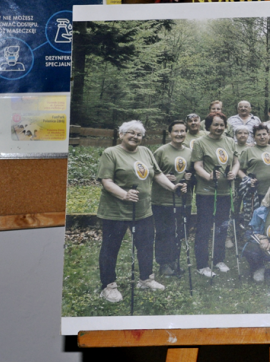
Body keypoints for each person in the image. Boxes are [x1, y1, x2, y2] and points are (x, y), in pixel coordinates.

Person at [97, 120, 184, 302]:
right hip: (116, 211)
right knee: (110, 249)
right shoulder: (110, 153)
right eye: (131, 133)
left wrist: (173, 187)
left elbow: (157, 174)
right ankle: (108, 286)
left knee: (145, 246)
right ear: (121, 134)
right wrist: (124, 194)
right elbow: (106, 181)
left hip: (144, 210)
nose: (135, 137)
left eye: (139, 134)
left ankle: (146, 279)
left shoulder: (145, 152)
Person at [191, 112, 239, 277]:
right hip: (206, 191)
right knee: (204, 228)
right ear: (208, 126)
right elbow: (197, 165)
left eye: (222, 125)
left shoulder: (230, 141)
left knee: (222, 227)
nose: (219, 128)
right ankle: (202, 264)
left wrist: (233, 172)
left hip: (225, 191)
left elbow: (236, 161)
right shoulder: (200, 142)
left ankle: (219, 259)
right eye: (215, 125)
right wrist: (208, 176)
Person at [152, 120, 193, 276]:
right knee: (164, 232)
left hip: (183, 199)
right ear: (170, 133)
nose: (179, 134)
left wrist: (190, 179)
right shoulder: (161, 151)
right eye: (176, 131)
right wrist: (164, 176)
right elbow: (153, 174)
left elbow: (193, 174)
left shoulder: (190, 152)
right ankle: (163, 263)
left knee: (179, 232)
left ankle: (174, 261)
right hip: (163, 200)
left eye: (182, 131)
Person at [239, 124, 270, 209]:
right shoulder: (247, 151)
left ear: (268, 135)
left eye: (264, 134)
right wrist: (247, 180)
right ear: (254, 137)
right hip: (255, 191)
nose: (262, 137)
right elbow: (239, 170)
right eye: (258, 135)